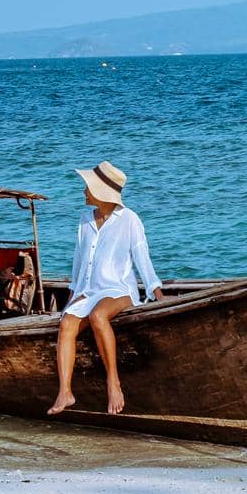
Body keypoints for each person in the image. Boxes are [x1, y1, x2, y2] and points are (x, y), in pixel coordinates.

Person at [47, 161, 163, 418]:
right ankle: (65, 391)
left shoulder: (129, 219)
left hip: (119, 290)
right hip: (89, 291)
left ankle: (114, 383)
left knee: (99, 316)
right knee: (66, 323)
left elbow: (142, 259)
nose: (84, 191)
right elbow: (79, 261)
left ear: (101, 191)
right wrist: (72, 295)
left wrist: (156, 292)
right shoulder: (85, 219)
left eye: (87, 186)